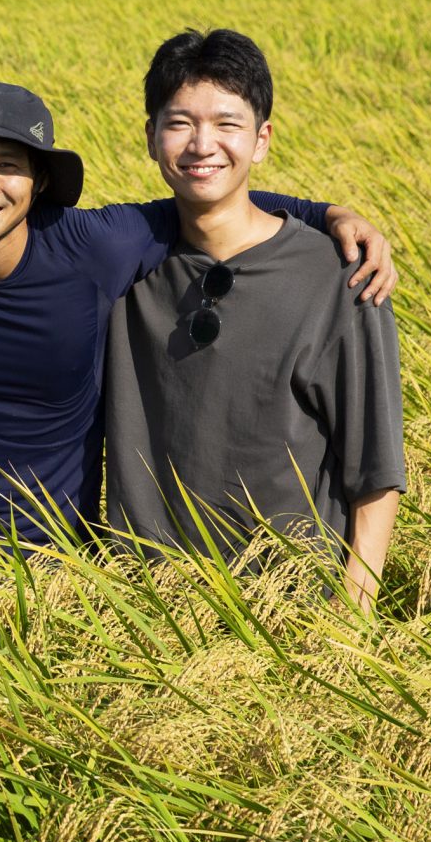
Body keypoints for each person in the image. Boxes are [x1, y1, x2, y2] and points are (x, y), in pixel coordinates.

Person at [0, 80, 393, 555]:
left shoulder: (94, 247)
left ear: (39, 183)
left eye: (7, 165)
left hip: (62, 565)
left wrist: (327, 214)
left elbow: (210, 198)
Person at [100, 29, 406, 606]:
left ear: (262, 140)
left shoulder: (339, 276)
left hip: (291, 605)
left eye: (227, 124)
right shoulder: (116, 268)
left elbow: (375, 462)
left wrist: (354, 614)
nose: (202, 145)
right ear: (150, 137)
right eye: (180, 123)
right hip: (147, 606)